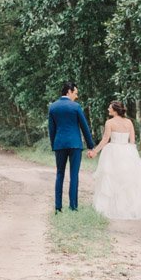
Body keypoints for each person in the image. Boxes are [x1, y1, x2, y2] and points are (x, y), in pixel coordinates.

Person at [88, 100, 141, 220]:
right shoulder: (129, 122)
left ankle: (113, 208)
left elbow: (105, 140)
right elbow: (132, 140)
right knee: (129, 181)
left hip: (113, 151)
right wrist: (131, 153)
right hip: (127, 151)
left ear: (115, 110)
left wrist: (95, 151)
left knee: (113, 179)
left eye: (110, 108)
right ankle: (130, 208)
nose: (108, 110)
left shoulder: (109, 122)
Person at [47, 83, 95, 212]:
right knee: (74, 175)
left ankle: (58, 207)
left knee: (59, 174)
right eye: (75, 93)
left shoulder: (53, 107)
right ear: (69, 91)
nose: (77, 96)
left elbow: (51, 130)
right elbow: (84, 127)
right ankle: (73, 206)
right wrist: (91, 146)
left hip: (59, 145)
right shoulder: (75, 107)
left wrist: (54, 145)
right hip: (75, 145)